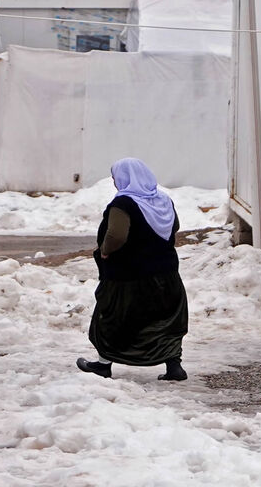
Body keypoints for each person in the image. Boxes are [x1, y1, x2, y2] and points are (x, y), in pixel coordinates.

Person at [77, 157, 189, 381]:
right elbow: (174, 226)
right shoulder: (163, 200)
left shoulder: (124, 204)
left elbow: (116, 234)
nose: (114, 181)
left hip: (128, 277)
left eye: (115, 177)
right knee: (164, 319)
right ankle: (174, 366)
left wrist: (106, 250)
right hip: (166, 274)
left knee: (113, 317)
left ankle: (103, 365)